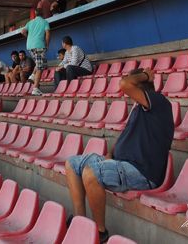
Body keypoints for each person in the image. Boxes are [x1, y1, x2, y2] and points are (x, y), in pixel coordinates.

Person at [65, 69, 173, 242]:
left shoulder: (159, 102)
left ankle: (100, 233)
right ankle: (80, 221)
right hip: (121, 163)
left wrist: (147, 75)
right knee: (72, 163)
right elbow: (124, 138)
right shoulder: (138, 109)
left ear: (139, 85)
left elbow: (124, 84)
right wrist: (110, 154)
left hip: (142, 172)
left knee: (90, 172)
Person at [21, 12, 50, 96]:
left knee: (39, 63)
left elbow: (22, 32)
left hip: (30, 46)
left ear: (35, 15)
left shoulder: (30, 22)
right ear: (43, 14)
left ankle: (33, 75)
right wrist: (47, 45)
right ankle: (35, 88)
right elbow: (47, 34)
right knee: (40, 67)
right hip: (39, 46)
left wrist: (29, 37)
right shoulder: (44, 22)